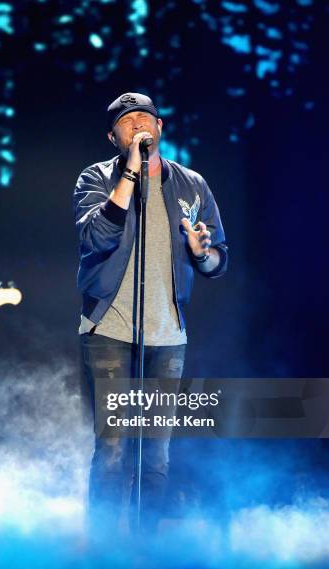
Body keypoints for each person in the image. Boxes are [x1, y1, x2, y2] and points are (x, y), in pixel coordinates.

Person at [73, 92, 228, 535]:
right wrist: (129, 174)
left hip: (168, 334)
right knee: (115, 448)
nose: (139, 124)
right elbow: (97, 238)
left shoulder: (193, 184)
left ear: (160, 128)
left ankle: (148, 553)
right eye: (127, 121)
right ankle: (103, 554)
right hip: (109, 330)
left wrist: (202, 254)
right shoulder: (96, 178)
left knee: (156, 454)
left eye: (146, 117)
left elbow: (219, 260)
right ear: (113, 136)